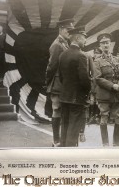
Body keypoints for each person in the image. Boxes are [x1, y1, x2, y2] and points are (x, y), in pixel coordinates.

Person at [59, 25, 91, 147]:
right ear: (77, 38)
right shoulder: (81, 55)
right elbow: (84, 79)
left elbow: (61, 77)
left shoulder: (63, 54)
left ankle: (63, 150)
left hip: (65, 96)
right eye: (83, 38)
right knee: (74, 127)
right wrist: (87, 90)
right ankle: (70, 153)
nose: (85, 41)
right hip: (77, 98)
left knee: (65, 125)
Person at [45, 18, 74, 147]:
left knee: (62, 111)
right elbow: (51, 66)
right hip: (57, 84)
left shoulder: (65, 43)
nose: (70, 32)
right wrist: (48, 81)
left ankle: (62, 139)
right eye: (68, 30)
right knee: (56, 110)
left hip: (64, 84)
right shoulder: (57, 44)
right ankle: (56, 140)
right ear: (61, 29)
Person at [94, 33, 119, 147]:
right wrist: (112, 85)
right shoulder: (97, 61)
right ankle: (105, 144)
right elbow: (98, 78)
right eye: (103, 43)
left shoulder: (116, 59)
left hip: (117, 94)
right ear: (100, 45)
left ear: (110, 44)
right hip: (104, 95)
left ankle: (116, 143)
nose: (106, 45)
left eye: (107, 42)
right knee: (104, 117)